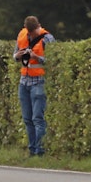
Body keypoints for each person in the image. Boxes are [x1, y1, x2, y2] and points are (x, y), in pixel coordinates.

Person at [14, 15, 54, 157]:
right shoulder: (22, 35)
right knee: (27, 119)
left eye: (33, 32)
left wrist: (36, 57)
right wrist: (18, 55)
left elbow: (52, 60)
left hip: (39, 82)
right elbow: (15, 56)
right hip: (24, 81)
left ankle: (40, 151)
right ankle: (32, 150)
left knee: (38, 118)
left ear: (38, 27)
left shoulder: (47, 38)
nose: (31, 35)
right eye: (29, 33)